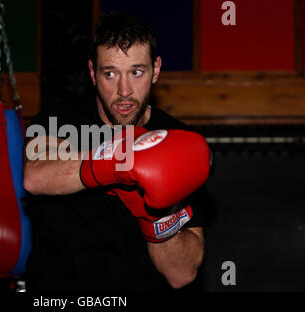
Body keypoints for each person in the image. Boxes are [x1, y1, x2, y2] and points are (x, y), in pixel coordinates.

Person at [23, 11, 210, 293]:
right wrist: (116, 161)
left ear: (156, 70)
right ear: (92, 73)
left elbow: (181, 273)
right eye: (110, 73)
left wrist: (156, 217)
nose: (124, 90)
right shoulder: (56, 122)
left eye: (136, 72)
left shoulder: (178, 142)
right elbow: (35, 177)